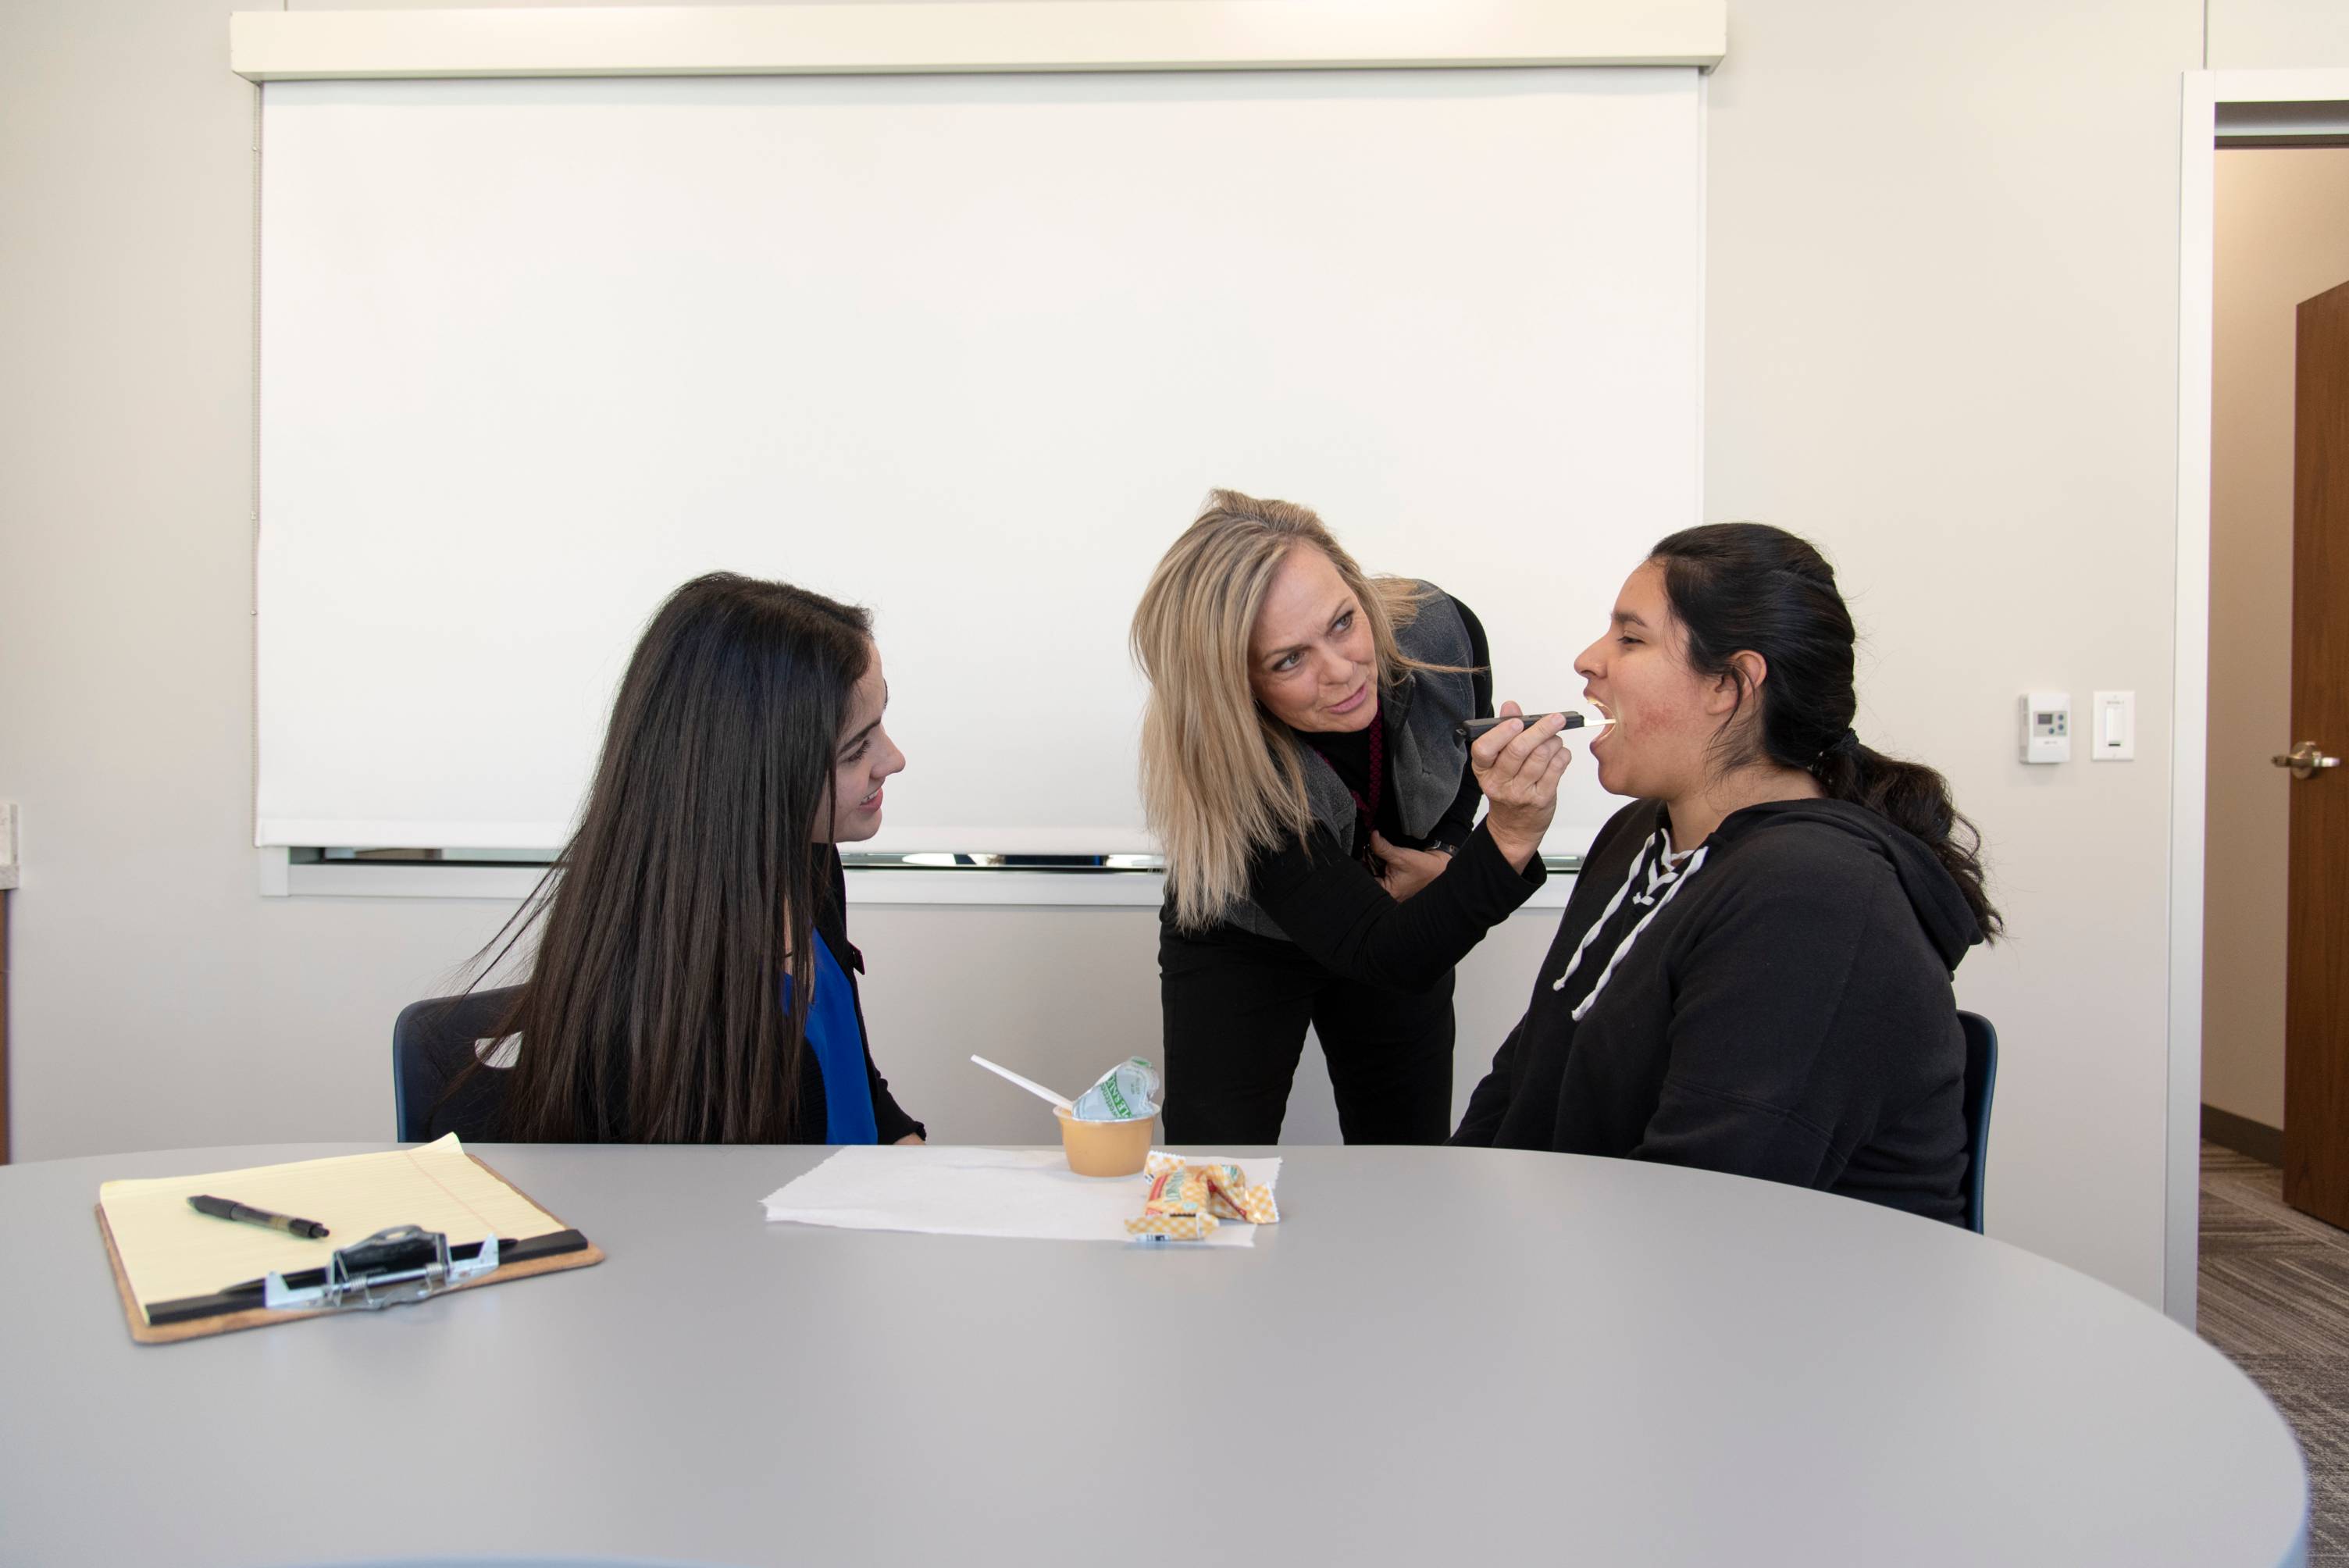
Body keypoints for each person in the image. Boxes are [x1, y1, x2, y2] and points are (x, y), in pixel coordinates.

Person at [1452, 523, 1998, 1222]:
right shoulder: (1638, 836)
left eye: (1631, 638)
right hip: (1601, 1270)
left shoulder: (1814, 897)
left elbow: (1705, 1215)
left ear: (1730, 685)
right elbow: (1525, 1076)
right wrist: (1451, 1213)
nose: (1589, 660)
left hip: (1788, 1312)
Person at [1132, 489, 1571, 1145]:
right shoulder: (1226, 766)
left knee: (1406, 1159)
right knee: (1215, 1168)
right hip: (1246, 941)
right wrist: (1507, 838)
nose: (1342, 672)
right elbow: (1380, 955)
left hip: (1395, 916)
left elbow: (1458, 768)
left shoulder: (1442, 630)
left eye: (1342, 622)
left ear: (1355, 586)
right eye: (1289, 660)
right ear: (1233, 684)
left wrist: (1449, 854)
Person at [432, 572, 925, 1144]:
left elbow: (855, 1083)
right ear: (752, 776)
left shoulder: (810, 867)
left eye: (880, 722)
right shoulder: (651, 999)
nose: (893, 759)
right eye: (855, 749)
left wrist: (918, 1167)